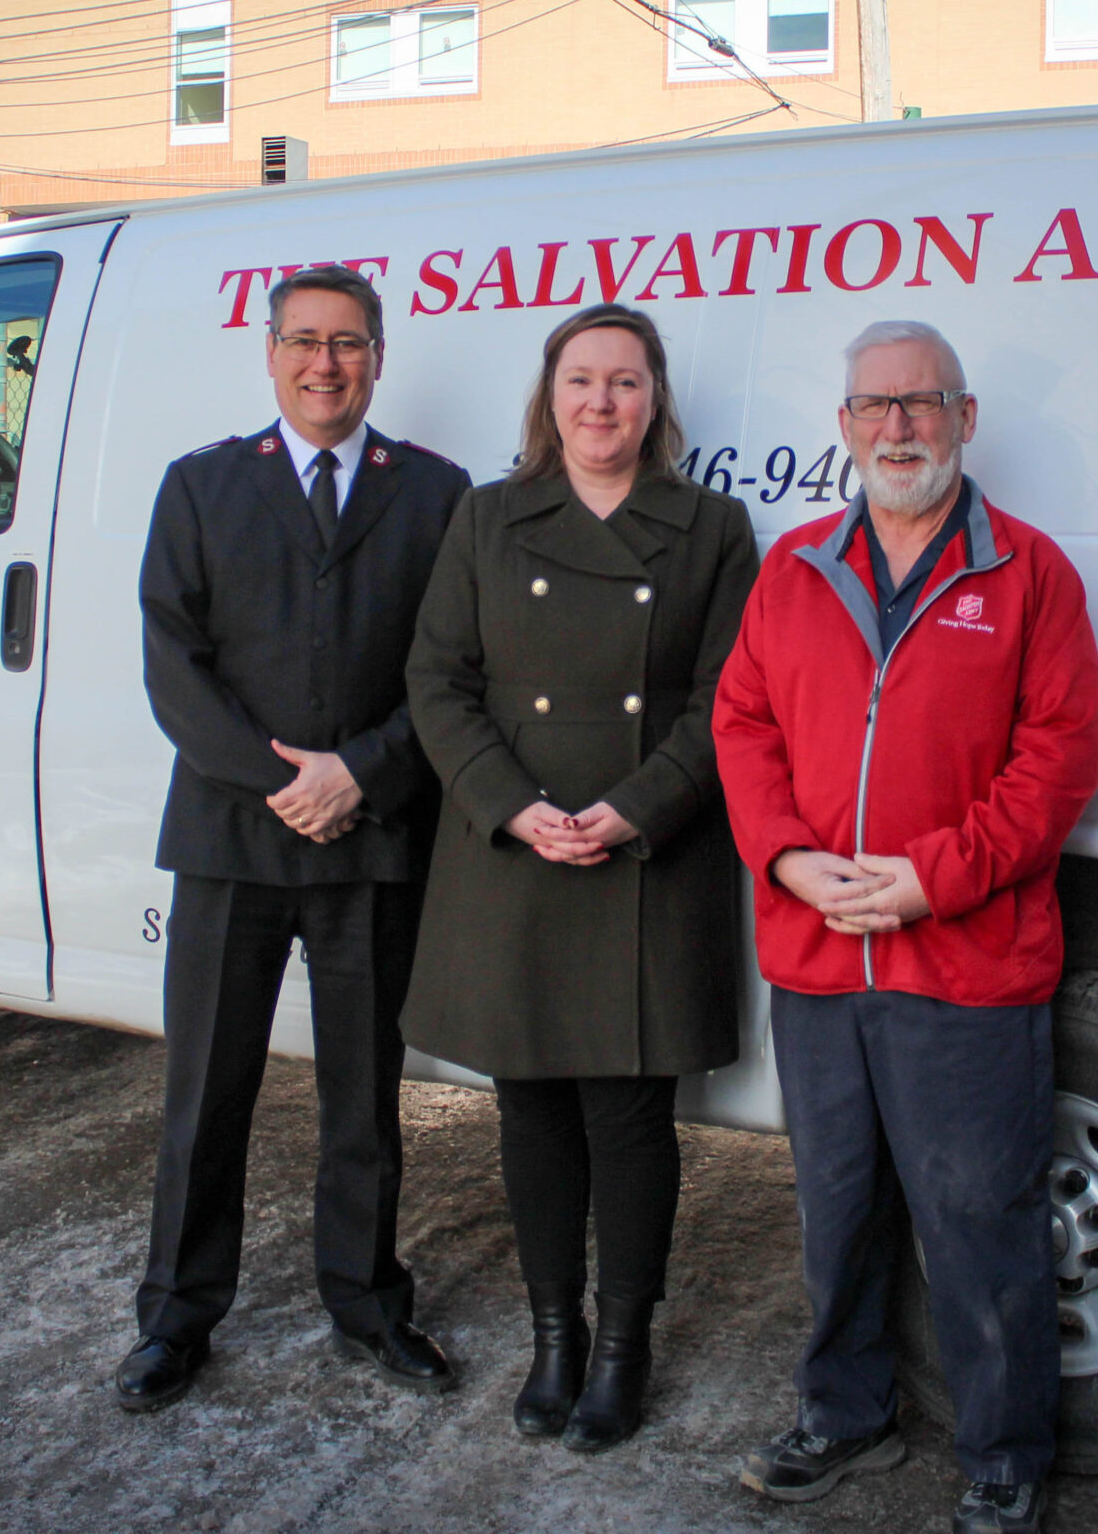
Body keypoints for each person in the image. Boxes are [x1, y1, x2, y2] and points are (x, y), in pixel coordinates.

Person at [713, 321, 1098, 1534]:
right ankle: (844, 1415)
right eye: (874, 407)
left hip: (964, 960)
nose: (897, 428)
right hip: (821, 961)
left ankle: (1001, 1453)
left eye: (921, 404)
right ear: (841, 428)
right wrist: (784, 855)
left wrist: (934, 879)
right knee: (836, 1210)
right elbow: (743, 727)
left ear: (964, 419)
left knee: (978, 1221)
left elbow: (1058, 763)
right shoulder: (793, 573)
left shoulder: (1028, 574)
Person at [401, 303, 758, 1453]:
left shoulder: (710, 526)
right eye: (580, 380)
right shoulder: (488, 517)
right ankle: (552, 1339)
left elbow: (727, 700)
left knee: (628, 1118)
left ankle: (620, 1349)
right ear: (547, 399)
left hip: (644, 853)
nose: (600, 402)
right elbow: (437, 682)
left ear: (655, 402)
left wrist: (633, 807)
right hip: (516, 854)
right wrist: (516, 807)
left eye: (624, 382)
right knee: (532, 1113)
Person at [119, 264, 472, 1412]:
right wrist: (283, 781)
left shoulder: (435, 494)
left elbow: (451, 673)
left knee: (364, 1098)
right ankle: (175, 1319)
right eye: (307, 341)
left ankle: (367, 1302)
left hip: (370, 843)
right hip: (232, 841)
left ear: (380, 358)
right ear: (270, 353)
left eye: (350, 343)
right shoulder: (203, 486)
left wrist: (358, 773)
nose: (327, 363)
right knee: (206, 1092)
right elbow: (175, 669)